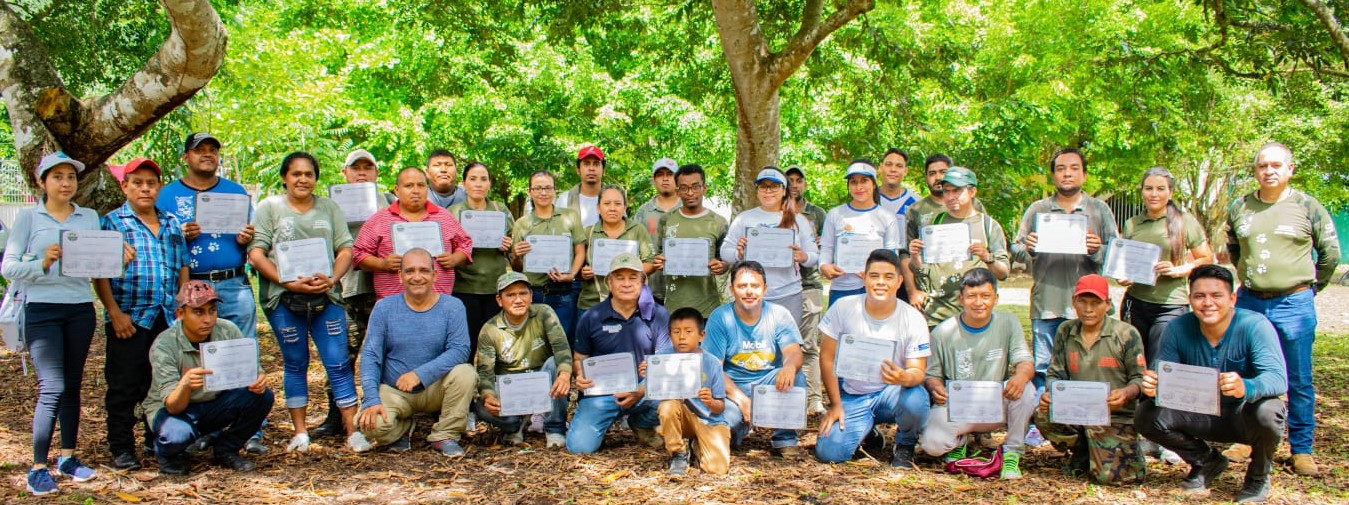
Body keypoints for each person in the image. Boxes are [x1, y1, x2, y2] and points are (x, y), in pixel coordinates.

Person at [1225, 142, 1339, 476]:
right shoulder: (1240, 206)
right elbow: (1234, 249)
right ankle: (1245, 438)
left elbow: (1329, 253)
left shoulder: (1307, 206)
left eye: (1276, 165)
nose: (1269, 171)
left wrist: (1311, 287)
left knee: (1298, 377)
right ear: (1255, 170)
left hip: (1294, 303)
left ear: (1290, 169)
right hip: (1250, 302)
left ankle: (1301, 449)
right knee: (1245, 371)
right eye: (1262, 166)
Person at [1135, 265, 1288, 503]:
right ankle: (1206, 461)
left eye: (1216, 295)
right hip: (1198, 412)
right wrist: (1153, 385)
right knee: (1147, 414)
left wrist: (1246, 386)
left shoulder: (1254, 326)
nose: (1208, 303)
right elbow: (1162, 374)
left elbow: (1278, 379)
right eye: (1199, 296)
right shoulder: (1177, 327)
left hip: (1242, 415)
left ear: (1232, 298)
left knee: (1270, 411)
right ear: (1190, 299)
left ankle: (1258, 476)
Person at [247, 152, 366, 452]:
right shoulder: (269, 208)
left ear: (316, 177)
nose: (302, 179)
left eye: (308, 174)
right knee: (295, 362)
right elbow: (257, 253)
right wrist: (285, 280)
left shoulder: (328, 207)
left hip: (326, 297)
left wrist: (333, 278)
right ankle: (300, 432)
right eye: (296, 174)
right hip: (285, 299)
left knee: (338, 363)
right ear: (285, 177)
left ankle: (352, 431)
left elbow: (345, 248)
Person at [155, 132, 264, 453]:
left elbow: (254, 237)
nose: (207, 155)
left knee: (242, 351)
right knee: (197, 355)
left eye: (213, 150)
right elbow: (159, 238)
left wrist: (247, 238)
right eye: (199, 150)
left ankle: (250, 429)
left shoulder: (235, 192)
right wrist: (179, 234)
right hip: (192, 284)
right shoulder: (168, 196)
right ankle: (204, 427)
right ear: (185, 158)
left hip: (233, 283)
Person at [4, 152, 105, 495]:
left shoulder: (88, 217)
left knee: (72, 384)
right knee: (53, 386)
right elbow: (9, 268)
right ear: (42, 182)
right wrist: (42, 261)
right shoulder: (29, 218)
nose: (65, 183)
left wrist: (116, 255)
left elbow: (97, 263)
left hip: (79, 309)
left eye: (71, 177)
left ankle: (68, 458)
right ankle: (37, 467)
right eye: (57, 176)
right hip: (41, 310)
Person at [1010, 147, 1119, 449]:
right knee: (1045, 368)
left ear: (1084, 174)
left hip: (1089, 307)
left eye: (1073, 168)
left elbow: (1117, 254)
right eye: (1060, 168)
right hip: (1048, 303)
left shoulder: (1099, 210)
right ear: (1053, 174)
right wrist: (1028, 247)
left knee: (1090, 368)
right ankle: (1043, 424)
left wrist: (1098, 249)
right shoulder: (1037, 210)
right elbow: (1016, 249)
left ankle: (1089, 425)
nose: (1067, 173)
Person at [93, 158, 189, 471]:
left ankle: (155, 438)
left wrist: (183, 305)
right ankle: (121, 447)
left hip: (166, 317)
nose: (145, 188)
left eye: (151, 183)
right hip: (130, 318)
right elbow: (101, 273)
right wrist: (114, 312)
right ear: (125, 186)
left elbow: (182, 265)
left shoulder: (171, 222)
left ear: (159, 187)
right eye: (137, 182)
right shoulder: (114, 222)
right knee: (124, 384)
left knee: (160, 381)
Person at [355, 248, 477, 457]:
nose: (417, 277)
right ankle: (403, 427)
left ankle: (445, 434)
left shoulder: (452, 306)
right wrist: (371, 399)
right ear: (400, 276)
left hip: (435, 387)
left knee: (466, 373)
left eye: (424, 271)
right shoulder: (384, 308)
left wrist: (420, 374)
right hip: (394, 390)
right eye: (410, 271)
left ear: (434, 275)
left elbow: (460, 349)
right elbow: (371, 356)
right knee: (371, 426)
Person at [814, 250, 930, 468]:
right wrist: (836, 404)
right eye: (874, 276)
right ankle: (868, 433)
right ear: (864, 277)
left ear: (899, 281)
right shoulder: (844, 307)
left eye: (888, 277)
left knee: (916, 399)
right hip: (854, 394)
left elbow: (918, 372)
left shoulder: (913, 318)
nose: (880, 282)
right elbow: (827, 358)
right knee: (829, 453)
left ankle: (905, 445)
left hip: (892, 393)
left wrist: (904, 376)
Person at [143, 281, 272, 475]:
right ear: (180, 314)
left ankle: (226, 449)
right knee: (175, 436)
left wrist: (258, 379)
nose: (208, 319)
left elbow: (252, 371)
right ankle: (168, 455)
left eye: (212, 311)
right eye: (198, 312)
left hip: (213, 402)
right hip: (175, 409)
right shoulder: (165, 345)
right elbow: (172, 405)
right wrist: (185, 385)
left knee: (263, 397)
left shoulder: (227, 330)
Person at [920, 268, 1036, 480]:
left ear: (996, 298)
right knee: (932, 445)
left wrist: (1020, 376)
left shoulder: (1008, 323)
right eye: (972, 296)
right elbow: (931, 374)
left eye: (985, 296)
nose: (979, 302)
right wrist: (935, 387)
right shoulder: (942, 332)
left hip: (995, 404)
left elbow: (1025, 361)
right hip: (957, 406)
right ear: (961, 298)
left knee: (1026, 390)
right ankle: (959, 441)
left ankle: (1012, 451)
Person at [315, 149, 397, 439]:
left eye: (368, 168)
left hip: (384, 292)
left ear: (376, 173)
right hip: (345, 290)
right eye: (355, 168)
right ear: (344, 173)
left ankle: (383, 413)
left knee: (387, 355)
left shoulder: (390, 203)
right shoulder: (327, 205)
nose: (361, 173)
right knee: (342, 355)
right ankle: (335, 415)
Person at [1033, 274, 1146, 485]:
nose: (1088, 309)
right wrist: (1050, 391)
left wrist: (1125, 393)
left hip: (1115, 416)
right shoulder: (1066, 331)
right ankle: (1083, 451)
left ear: (1108, 304)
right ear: (1074, 302)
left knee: (1111, 479)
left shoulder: (1126, 334)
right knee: (1042, 414)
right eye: (1082, 301)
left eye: (1095, 303)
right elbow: (1055, 372)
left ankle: (1127, 452)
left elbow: (1140, 379)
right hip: (1076, 411)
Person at [566, 253, 671, 454]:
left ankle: (640, 421)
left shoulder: (659, 314)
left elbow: (665, 363)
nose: (626, 284)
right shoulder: (592, 316)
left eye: (633, 278)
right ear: (609, 282)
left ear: (642, 281)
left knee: (674, 394)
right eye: (619, 278)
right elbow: (580, 358)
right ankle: (601, 424)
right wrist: (579, 375)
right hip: (603, 394)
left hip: (643, 392)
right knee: (579, 448)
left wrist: (640, 390)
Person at [704, 261, 808, 458]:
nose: (749, 291)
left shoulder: (779, 315)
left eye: (755, 286)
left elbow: (794, 352)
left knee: (797, 376)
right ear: (731, 289)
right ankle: (740, 428)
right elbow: (713, 368)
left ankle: (784, 439)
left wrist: (789, 367)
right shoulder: (720, 317)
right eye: (742, 286)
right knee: (727, 429)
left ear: (765, 289)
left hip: (769, 383)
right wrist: (742, 399)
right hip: (733, 388)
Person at [1120, 166, 1214, 365]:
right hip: (1136, 303)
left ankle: (1156, 398)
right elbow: (1126, 263)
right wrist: (1124, 276)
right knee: (1136, 362)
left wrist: (1179, 269)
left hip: (1170, 305)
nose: (1154, 194)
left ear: (1170, 192)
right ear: (1142, 191)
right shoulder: (1132, 224)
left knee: (1160, 363)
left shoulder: (1185, 222)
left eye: (1160, 189)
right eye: (1149, 188)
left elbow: (1206, 258)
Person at [473, 272, 573, 449]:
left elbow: (561, 347)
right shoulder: (490, 329)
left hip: (542, 380)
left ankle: (554, 428)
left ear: (531, 296)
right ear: (499, 300)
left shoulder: (544, 313)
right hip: (511, 388)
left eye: (523, 293)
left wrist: (565, 374)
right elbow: (484, 372)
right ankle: (515, 425)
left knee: (556, 363)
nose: (518, 299)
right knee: (482, 407)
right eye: (510, 295)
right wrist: (489, 396)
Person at [720, 167, 819, 345]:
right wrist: (738, 253)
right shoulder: (744, 219)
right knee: (752, 346)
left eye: (774, 186)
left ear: (784, 190)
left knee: (785, 347)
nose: (768, 191)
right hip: (751, 295)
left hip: (788, 294)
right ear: (757, 191)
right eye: (763, 186)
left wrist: (802, 256)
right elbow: (725, 253)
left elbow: (814, 255)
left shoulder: (798, 220)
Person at [907, 167, 1010, 328]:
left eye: (956, 191)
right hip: (937, 316)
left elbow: (1003, 273)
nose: (950, 196)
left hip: (975, 315)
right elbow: (921, 273)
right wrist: (915, 258)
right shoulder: (933, 224)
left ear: (972, 191)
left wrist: (987, 258)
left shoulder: (988, 226)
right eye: (946, 191)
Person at [351, 167, 473, 300]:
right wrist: (382, 264)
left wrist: (454, 259)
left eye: (421, 185)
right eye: (409, 186)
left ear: (427, 188)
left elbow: (465, 245)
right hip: (393, 304)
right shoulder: (379, 219)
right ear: (397, 190)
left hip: (439, 302)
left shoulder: (444, 216)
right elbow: (358, 253)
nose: (415, 191)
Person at [511, 170, 586, 344]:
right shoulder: (521, 224)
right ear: (529, 191)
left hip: (562, 291)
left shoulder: (570, 216)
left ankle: (563, 372)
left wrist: (572, 274)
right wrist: (516, 255)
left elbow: (580, 251)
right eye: (537, 188)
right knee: (535, 342)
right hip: (534, 293)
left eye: (547, 188)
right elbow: (516, 268)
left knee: (562, 340)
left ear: (554, 191)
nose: (543, 193)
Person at [653, 307, 731, 476]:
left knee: (716, 470)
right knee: (667, 405)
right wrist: (650, 374)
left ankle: (697, 445)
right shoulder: (661, 358)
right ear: (669, 334)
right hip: (680, 415)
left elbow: (720, 407)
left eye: (689, 331)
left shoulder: (712, 363)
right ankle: (677, 453)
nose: (682, 337)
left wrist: (710, 401)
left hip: (708, 419)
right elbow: (653, 393)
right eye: (676, 332)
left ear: (701, 336)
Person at [447, 162, 516, 342]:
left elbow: (514, 248)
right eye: (473, 179)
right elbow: (446, 249)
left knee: (496, 342)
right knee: (466, 343)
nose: (478, 184)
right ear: (463, 183)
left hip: (495, 288)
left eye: (483, 179)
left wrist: (508, 246)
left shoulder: (500, 210)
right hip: (464, 287)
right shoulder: (453, 213)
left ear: (490, 183)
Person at [819, 159, 903, 302]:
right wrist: (824, 266)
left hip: (876, 288)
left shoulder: (887, 217)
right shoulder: (835, 214)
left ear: (874, 184)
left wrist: (875, 272)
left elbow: (892, 255)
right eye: (853, 182)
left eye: (864, 181)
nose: (859, 187)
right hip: (842, 288)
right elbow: (826, 248)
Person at [653, 164, 729, 317]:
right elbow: (660, 255)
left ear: (704, 188)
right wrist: (659, 262)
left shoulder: (718, 222)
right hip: (674, 307)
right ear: (678, 191)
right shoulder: (666, 220)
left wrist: (722, 266)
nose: (690, 193)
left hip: (708, 308)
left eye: (695, 187)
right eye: (684, 188)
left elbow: (726, 261)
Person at [784, 165, 828, 415]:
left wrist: (815, 248)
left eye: (799, 180)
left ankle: (814, 399)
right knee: (782, 345)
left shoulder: (817, 213)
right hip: (780, 287)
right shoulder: (776, 214)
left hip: (809, 284)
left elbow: (828, 247)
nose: (794, 185)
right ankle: (785, 399)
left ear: (805, 184)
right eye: (790, 180)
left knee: (809, 345)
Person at [579, 185, 655, 310]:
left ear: (624, 207)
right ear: (598, 208)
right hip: (592, 302)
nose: (612, 208)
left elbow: (650, 262)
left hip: (629, 302)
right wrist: (584, 273)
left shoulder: (637, 230)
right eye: (607, 203)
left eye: (618, 204)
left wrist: (627, 274)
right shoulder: (588, 233)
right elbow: (578, 265)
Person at [632, 158, 680, 305]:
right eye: (660, 175)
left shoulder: (687, 209)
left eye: (670, 174)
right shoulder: (643, 212)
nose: (665, 179)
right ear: (653, 179)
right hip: (650, 289)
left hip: (682, 289)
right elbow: (634, 247)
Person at [558, 145, 606, 228]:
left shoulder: (615, 200)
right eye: (586, 164)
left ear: (603, 170)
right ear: (578, 170)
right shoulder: (565, 199)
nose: (591, 168)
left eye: (596, 164)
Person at [877, 148, 920, 216]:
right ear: (880, 168)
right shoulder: (867, 198)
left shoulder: (916, 202)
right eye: (888, 164)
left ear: (905, 171)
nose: (893, 169)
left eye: (899, 166)